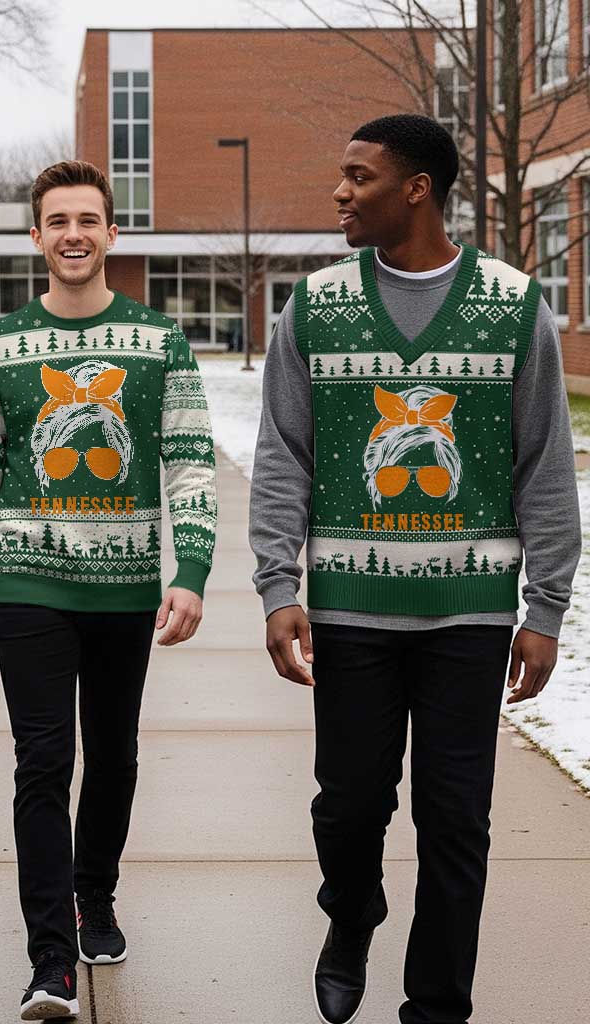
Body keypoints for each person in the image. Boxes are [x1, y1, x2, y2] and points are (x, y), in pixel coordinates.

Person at [250, 113, 581, 1024]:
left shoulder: (512, 305)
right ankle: (350, 914)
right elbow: (284, 454)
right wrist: (279, 586)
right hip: (352, 612)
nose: (340, 192)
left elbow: (543, 463)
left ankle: (437, 1005)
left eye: (359, 176)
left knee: (455, 823)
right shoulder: (316, 305)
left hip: (470, 617)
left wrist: (546, 608)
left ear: (417, 189)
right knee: (348, 810)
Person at [0, 160, 218, 1021]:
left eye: (88, 220)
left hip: (127, 587)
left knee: (115, 753)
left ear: (112, 233)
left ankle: (93, 895)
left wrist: (193, 569)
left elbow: (189, 460)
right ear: (35, 236)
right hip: (29, 579)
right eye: (57, 220)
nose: (73, 234)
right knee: (43, 761)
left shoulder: (159, 341)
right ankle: (50, 961)